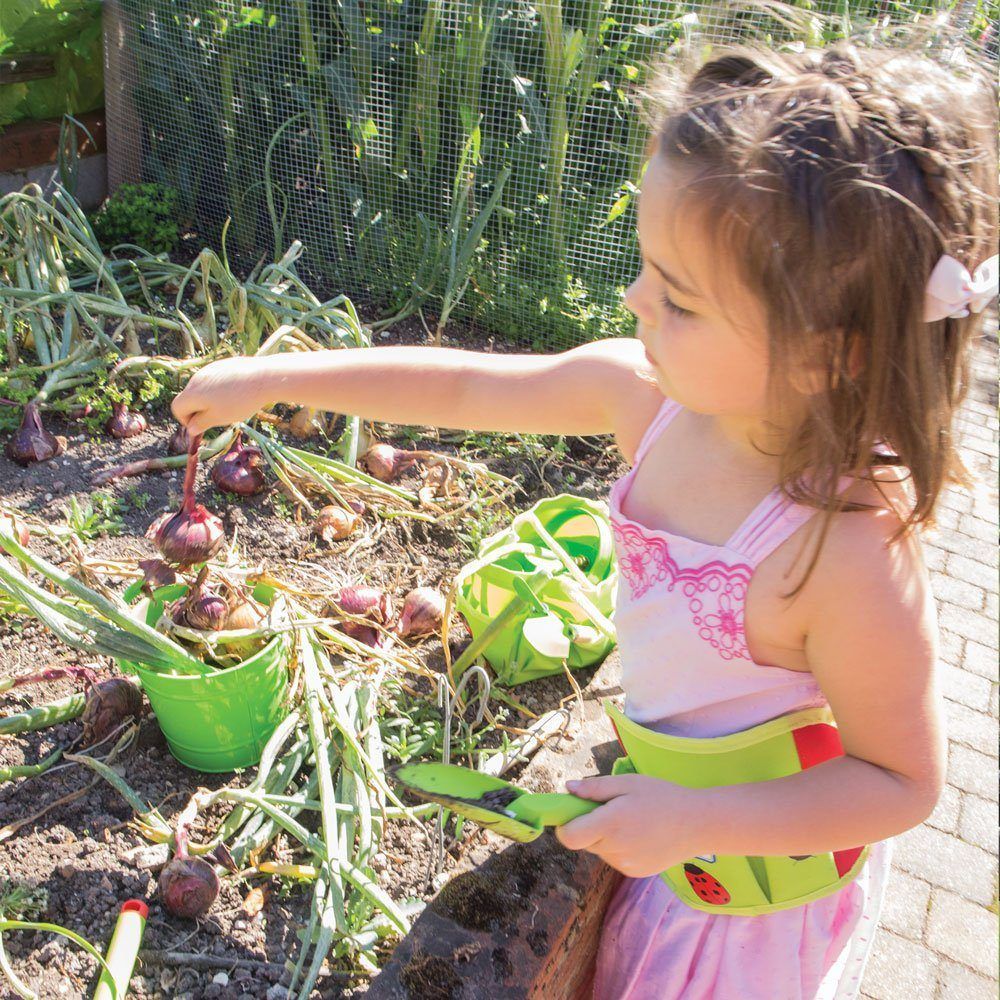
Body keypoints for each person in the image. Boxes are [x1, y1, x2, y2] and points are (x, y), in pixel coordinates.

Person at [171, 40, 998, 1000]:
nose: (635, 300)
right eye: (649, 270)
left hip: (744, 910)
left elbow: (901, 783)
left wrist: (694, 820)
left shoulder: (845, 546)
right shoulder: (646, 398)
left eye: (679, 299)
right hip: (670, 841)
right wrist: (276, 377)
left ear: (827, 354)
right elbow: (467, 386)